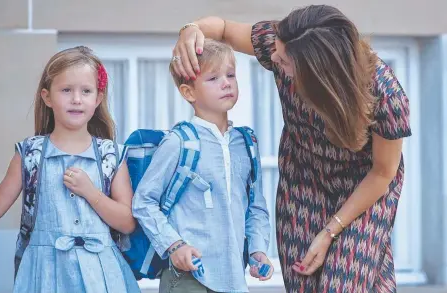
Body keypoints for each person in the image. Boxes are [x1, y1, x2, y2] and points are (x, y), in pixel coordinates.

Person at [172, 5, 411, 292]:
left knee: (342, 284)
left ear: (317, 74)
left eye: (283, 60)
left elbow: (383, 173)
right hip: (303, 180)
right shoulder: (281, 42)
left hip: (364, 188)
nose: (273, 58)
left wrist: (330, 231)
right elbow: (222, 28)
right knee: (304, 282)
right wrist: (190, 30)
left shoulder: (384, 95)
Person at [0, 46, 141, 293]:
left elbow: (127, 223)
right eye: (66, 90)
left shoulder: (112, 155)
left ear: (98, 98)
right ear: (47, 97)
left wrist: (90, 192)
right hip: (43, 275)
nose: (76, 99)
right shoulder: (30, 153)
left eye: (86, 91)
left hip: (103, 277)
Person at [133, 39, 273, 293]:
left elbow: (255, 206)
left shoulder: (246, 143)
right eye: (213, 78)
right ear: (189, 92)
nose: (226, 83)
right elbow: (143, 202)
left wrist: (258, 250)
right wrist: (174, 246)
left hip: (234, 279)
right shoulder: (179, 142)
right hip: (187, 279)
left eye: (230, 75)